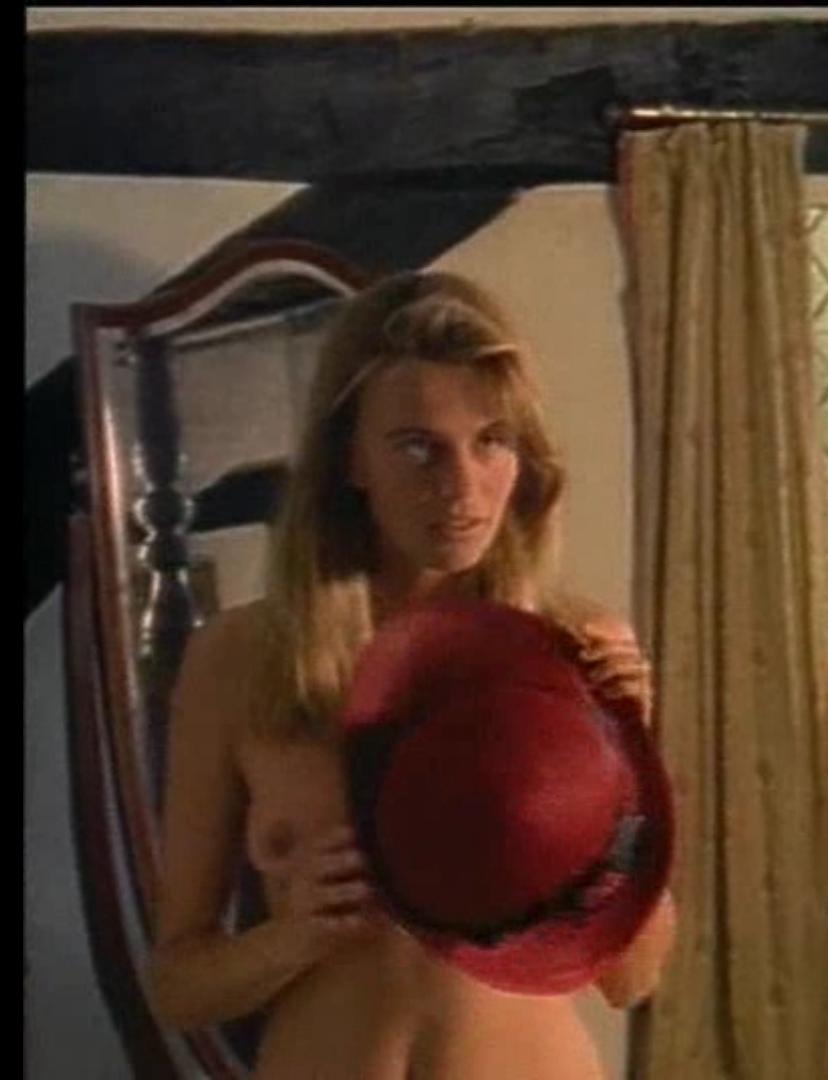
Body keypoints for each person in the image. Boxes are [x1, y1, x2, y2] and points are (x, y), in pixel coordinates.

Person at [146, 270, 677, 1079]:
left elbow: (632, 978)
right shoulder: (241, 659)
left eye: (491, 441)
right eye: (418, 447)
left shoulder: (575, 652)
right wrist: (292, 938)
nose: (462, 488)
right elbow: (177, 989)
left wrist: (624, 763)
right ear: (350, 458)